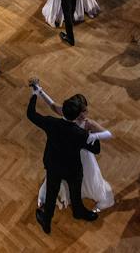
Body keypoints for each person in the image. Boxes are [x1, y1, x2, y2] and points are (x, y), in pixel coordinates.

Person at [26, 80, 101, 234]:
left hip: (53, 165)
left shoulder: (51, 123)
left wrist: (35, 94)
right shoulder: (80, 133)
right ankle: (78, 211)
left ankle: (46, 221)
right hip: (72, 168)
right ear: (78, 115)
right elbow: (96, 149)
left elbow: (31, 114)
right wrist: (93, 131)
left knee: (52, 192)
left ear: (64, 111)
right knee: (75, 190)